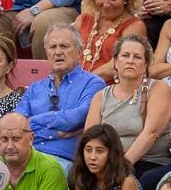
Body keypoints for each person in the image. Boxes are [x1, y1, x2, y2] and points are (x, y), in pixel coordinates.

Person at [84, 35, 171, 183]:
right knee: (74, 179)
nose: (130, 60)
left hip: (147, 162)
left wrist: (121, 166)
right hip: (107, 161)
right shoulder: (101, 96)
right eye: (125, 55)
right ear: (116, 62)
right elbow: (90, 137)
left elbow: (151, 134)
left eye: (137, 57)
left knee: (130, 181)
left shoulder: (158, 88)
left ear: (145, 64)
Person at [14, 24, 105, 169]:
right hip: (27, 157)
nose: (58, 52)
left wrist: (34, 121)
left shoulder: (93, 84)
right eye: (52, 47)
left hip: (63, 162)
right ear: (46, 52)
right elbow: (16, 127)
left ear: (79, 51)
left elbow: (77, 117)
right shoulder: (34, 88)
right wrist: (58, 133)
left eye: (64, 46)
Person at [75, 0, 147, 81]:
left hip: (109, 91)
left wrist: (84, 83)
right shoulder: (83, 19)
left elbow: (117, 65)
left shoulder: (135, 26)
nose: (106, 4)